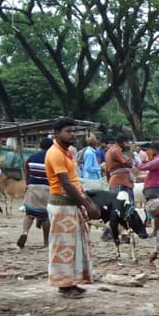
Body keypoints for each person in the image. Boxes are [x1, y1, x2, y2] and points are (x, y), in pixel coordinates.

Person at [44, 117, 101, 299]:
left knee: (74, 245)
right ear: (57, 133)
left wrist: (88, 203)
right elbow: (67, 185)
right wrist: (87, 205)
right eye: (68, 131)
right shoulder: (55, 153)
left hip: (71, 204)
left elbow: (75, 182)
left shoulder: (68, 153)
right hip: (61, 205)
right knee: (62, 246)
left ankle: (72, 281)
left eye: (73, 131)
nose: (72, 134)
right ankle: (64, 285)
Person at [18, 137, 53, 249]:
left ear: (40, 145)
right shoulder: (52, 158)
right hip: (47, 188)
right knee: (45, 216)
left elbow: (27, 171)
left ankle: (25, 232)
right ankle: (46, 242)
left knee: (29, 214)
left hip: (33, 187)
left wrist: (28, 184)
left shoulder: (31, 157)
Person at [105, 133, 134, 203]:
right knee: (125, 206)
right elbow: (128, 163)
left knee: (117, 205)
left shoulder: (110, 150)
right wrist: (128, 150)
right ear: (124, 142)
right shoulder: (116, 150)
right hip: (121, 182)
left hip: (115, 181)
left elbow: (107, 171)